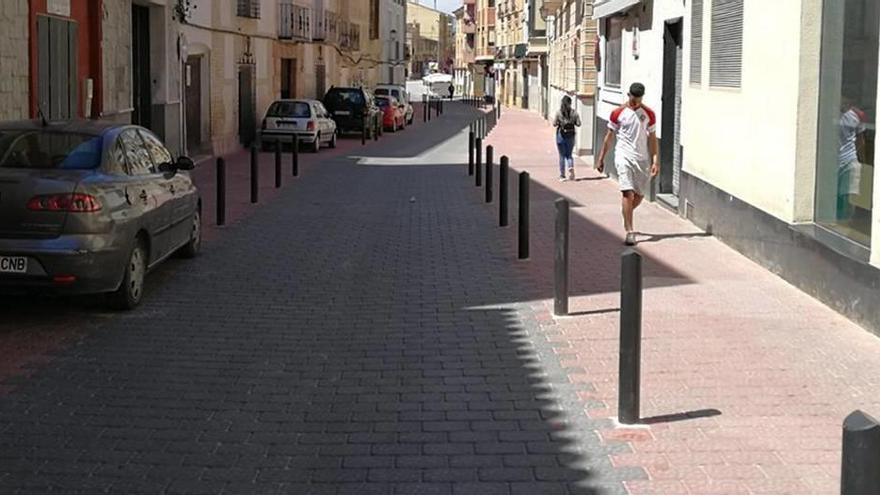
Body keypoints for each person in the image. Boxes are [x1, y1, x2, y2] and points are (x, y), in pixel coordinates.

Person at [595, 82, 660, 246]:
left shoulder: (649, 114)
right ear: (629, 95)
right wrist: (601, 158)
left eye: (639, 99)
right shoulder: (618, 113)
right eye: (633, 98)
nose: (636, 101)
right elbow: (609, 137)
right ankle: (630, 231)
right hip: (623, 156)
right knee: (627, 193)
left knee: (639, 196)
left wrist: (655, 160)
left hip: (641, 159)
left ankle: (626, 211)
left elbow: (652, 139)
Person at [837, 96, 868, 221]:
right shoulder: (828, 111)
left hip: (850, 160)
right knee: (834, 197)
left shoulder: (858, 114)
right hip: (830, 161)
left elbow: (861, 140)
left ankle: (848, 222)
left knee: (849, 197)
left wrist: (863, 162)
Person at [553, 95, 581, 181]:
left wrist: (559, 122)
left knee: (562, 156)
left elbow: (554, 124)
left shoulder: (559, 112)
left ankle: (562, 176)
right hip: (571, 136)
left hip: (561, 136)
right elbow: (579, 124)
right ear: (570, 103)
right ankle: (570, 167)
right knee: (569, 155)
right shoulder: (574, 113)